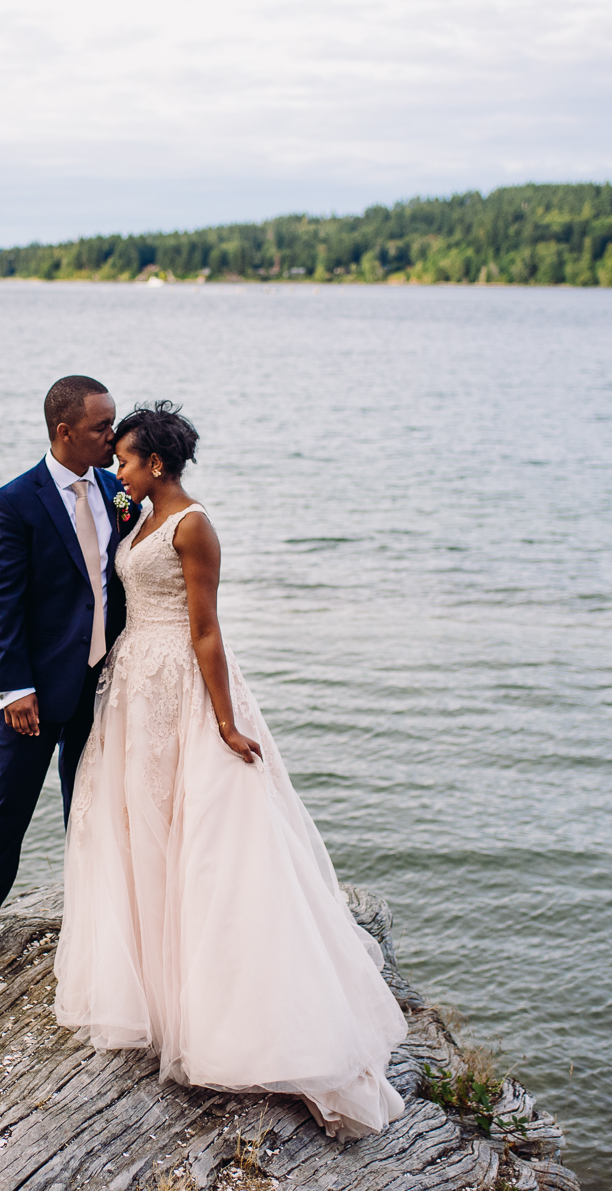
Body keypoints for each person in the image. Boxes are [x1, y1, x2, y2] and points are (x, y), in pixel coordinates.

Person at [52, 401, 409, 1139]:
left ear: (157, 463)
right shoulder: (141, 513)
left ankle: (224, 1013)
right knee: (139, 827)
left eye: (125, 460)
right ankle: (153, 993)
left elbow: (207, 629)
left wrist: (223, 720)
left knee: (203, 837)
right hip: (134, 688)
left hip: (182, 684)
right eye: (114, 459)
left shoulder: (192, 525)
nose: (116, 471)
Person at [0, 375, 140, 974]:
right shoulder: (12, 502)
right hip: (32, 691)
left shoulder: (118, 489)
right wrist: (15, 687)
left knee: (90, 805)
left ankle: (91, 918)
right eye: (102, 427)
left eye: (112, 424)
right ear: (65, 432)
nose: (113, 436)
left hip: (102, 683)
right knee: (6, 804)